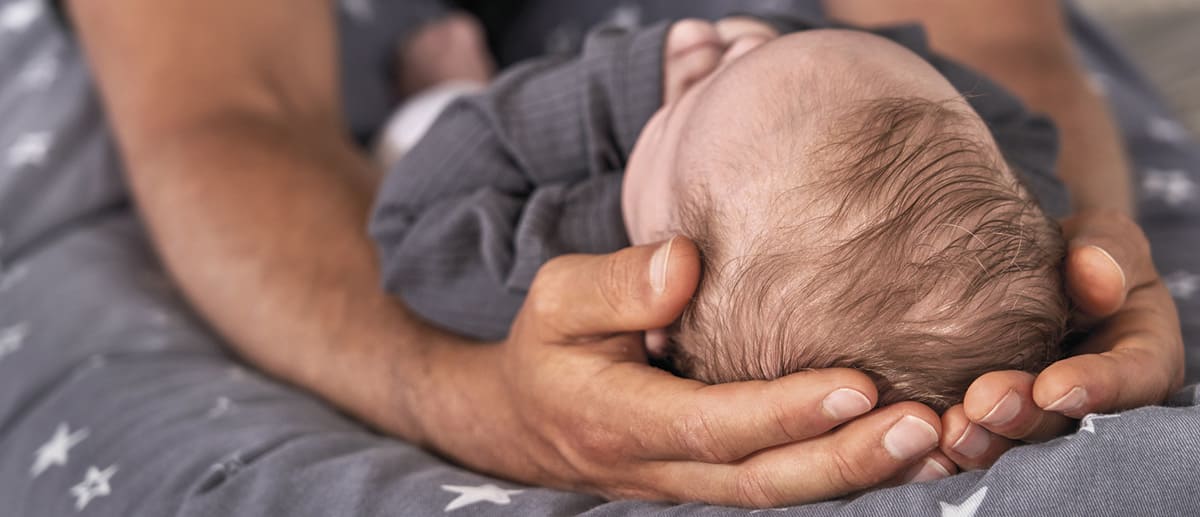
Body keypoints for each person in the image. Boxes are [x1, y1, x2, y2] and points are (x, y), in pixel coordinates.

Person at [58, 0, 1183, 506]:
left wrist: (610, 91)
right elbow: (998, 110)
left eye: (689, 102)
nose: (701, 50)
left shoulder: (564, 246)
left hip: (484, 130)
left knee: (431, 120)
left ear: (658, 284)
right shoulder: (741, 232)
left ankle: (438, 72)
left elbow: (419, 214)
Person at [371, 17, 1071, 413]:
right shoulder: (999, 236)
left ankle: (449, 83)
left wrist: (619, 87)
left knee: (419, 131)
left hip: (509, 115)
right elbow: (1028, 138)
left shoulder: (548, 262)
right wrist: (815, 52)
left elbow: (410, 219)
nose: (730, 45)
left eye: (676, 116)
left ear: (659, 299)